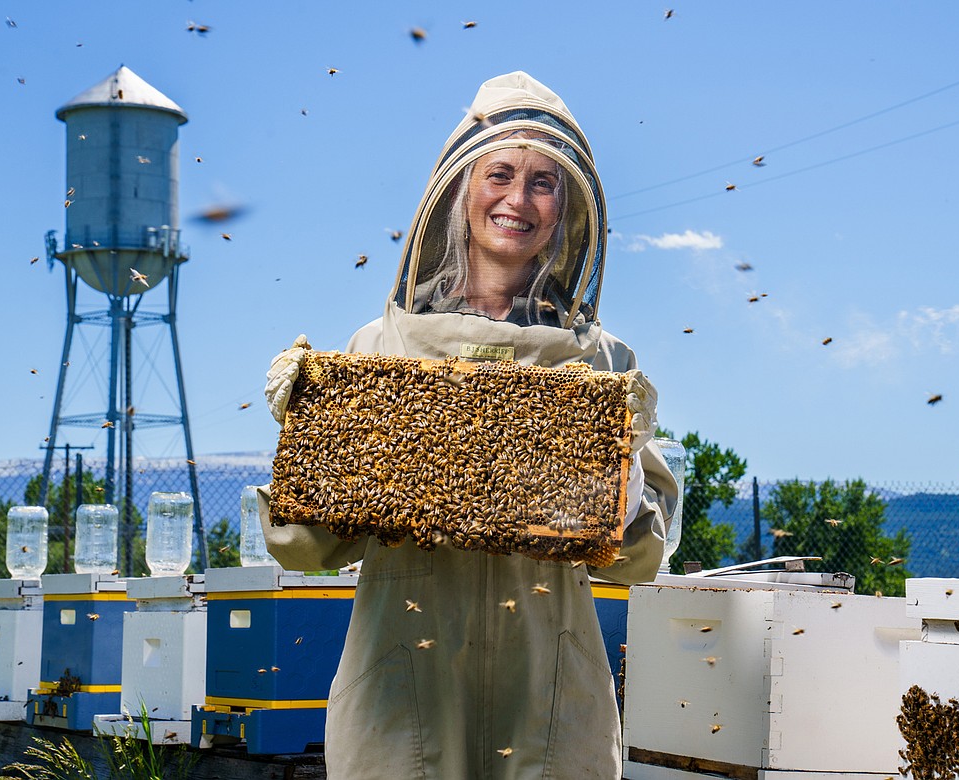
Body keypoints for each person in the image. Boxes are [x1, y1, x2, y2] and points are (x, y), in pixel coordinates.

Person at [260, 71, 679, 779]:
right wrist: (306, 440)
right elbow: (304, 548)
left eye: (544, 182)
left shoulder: (606, 361)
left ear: (567, 208)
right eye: (502, 174)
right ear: (459, 191)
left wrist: (627, 465)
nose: (519, 199)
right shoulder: (377, 349)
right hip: (402, 699)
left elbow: (640, 559)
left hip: (549, 702)